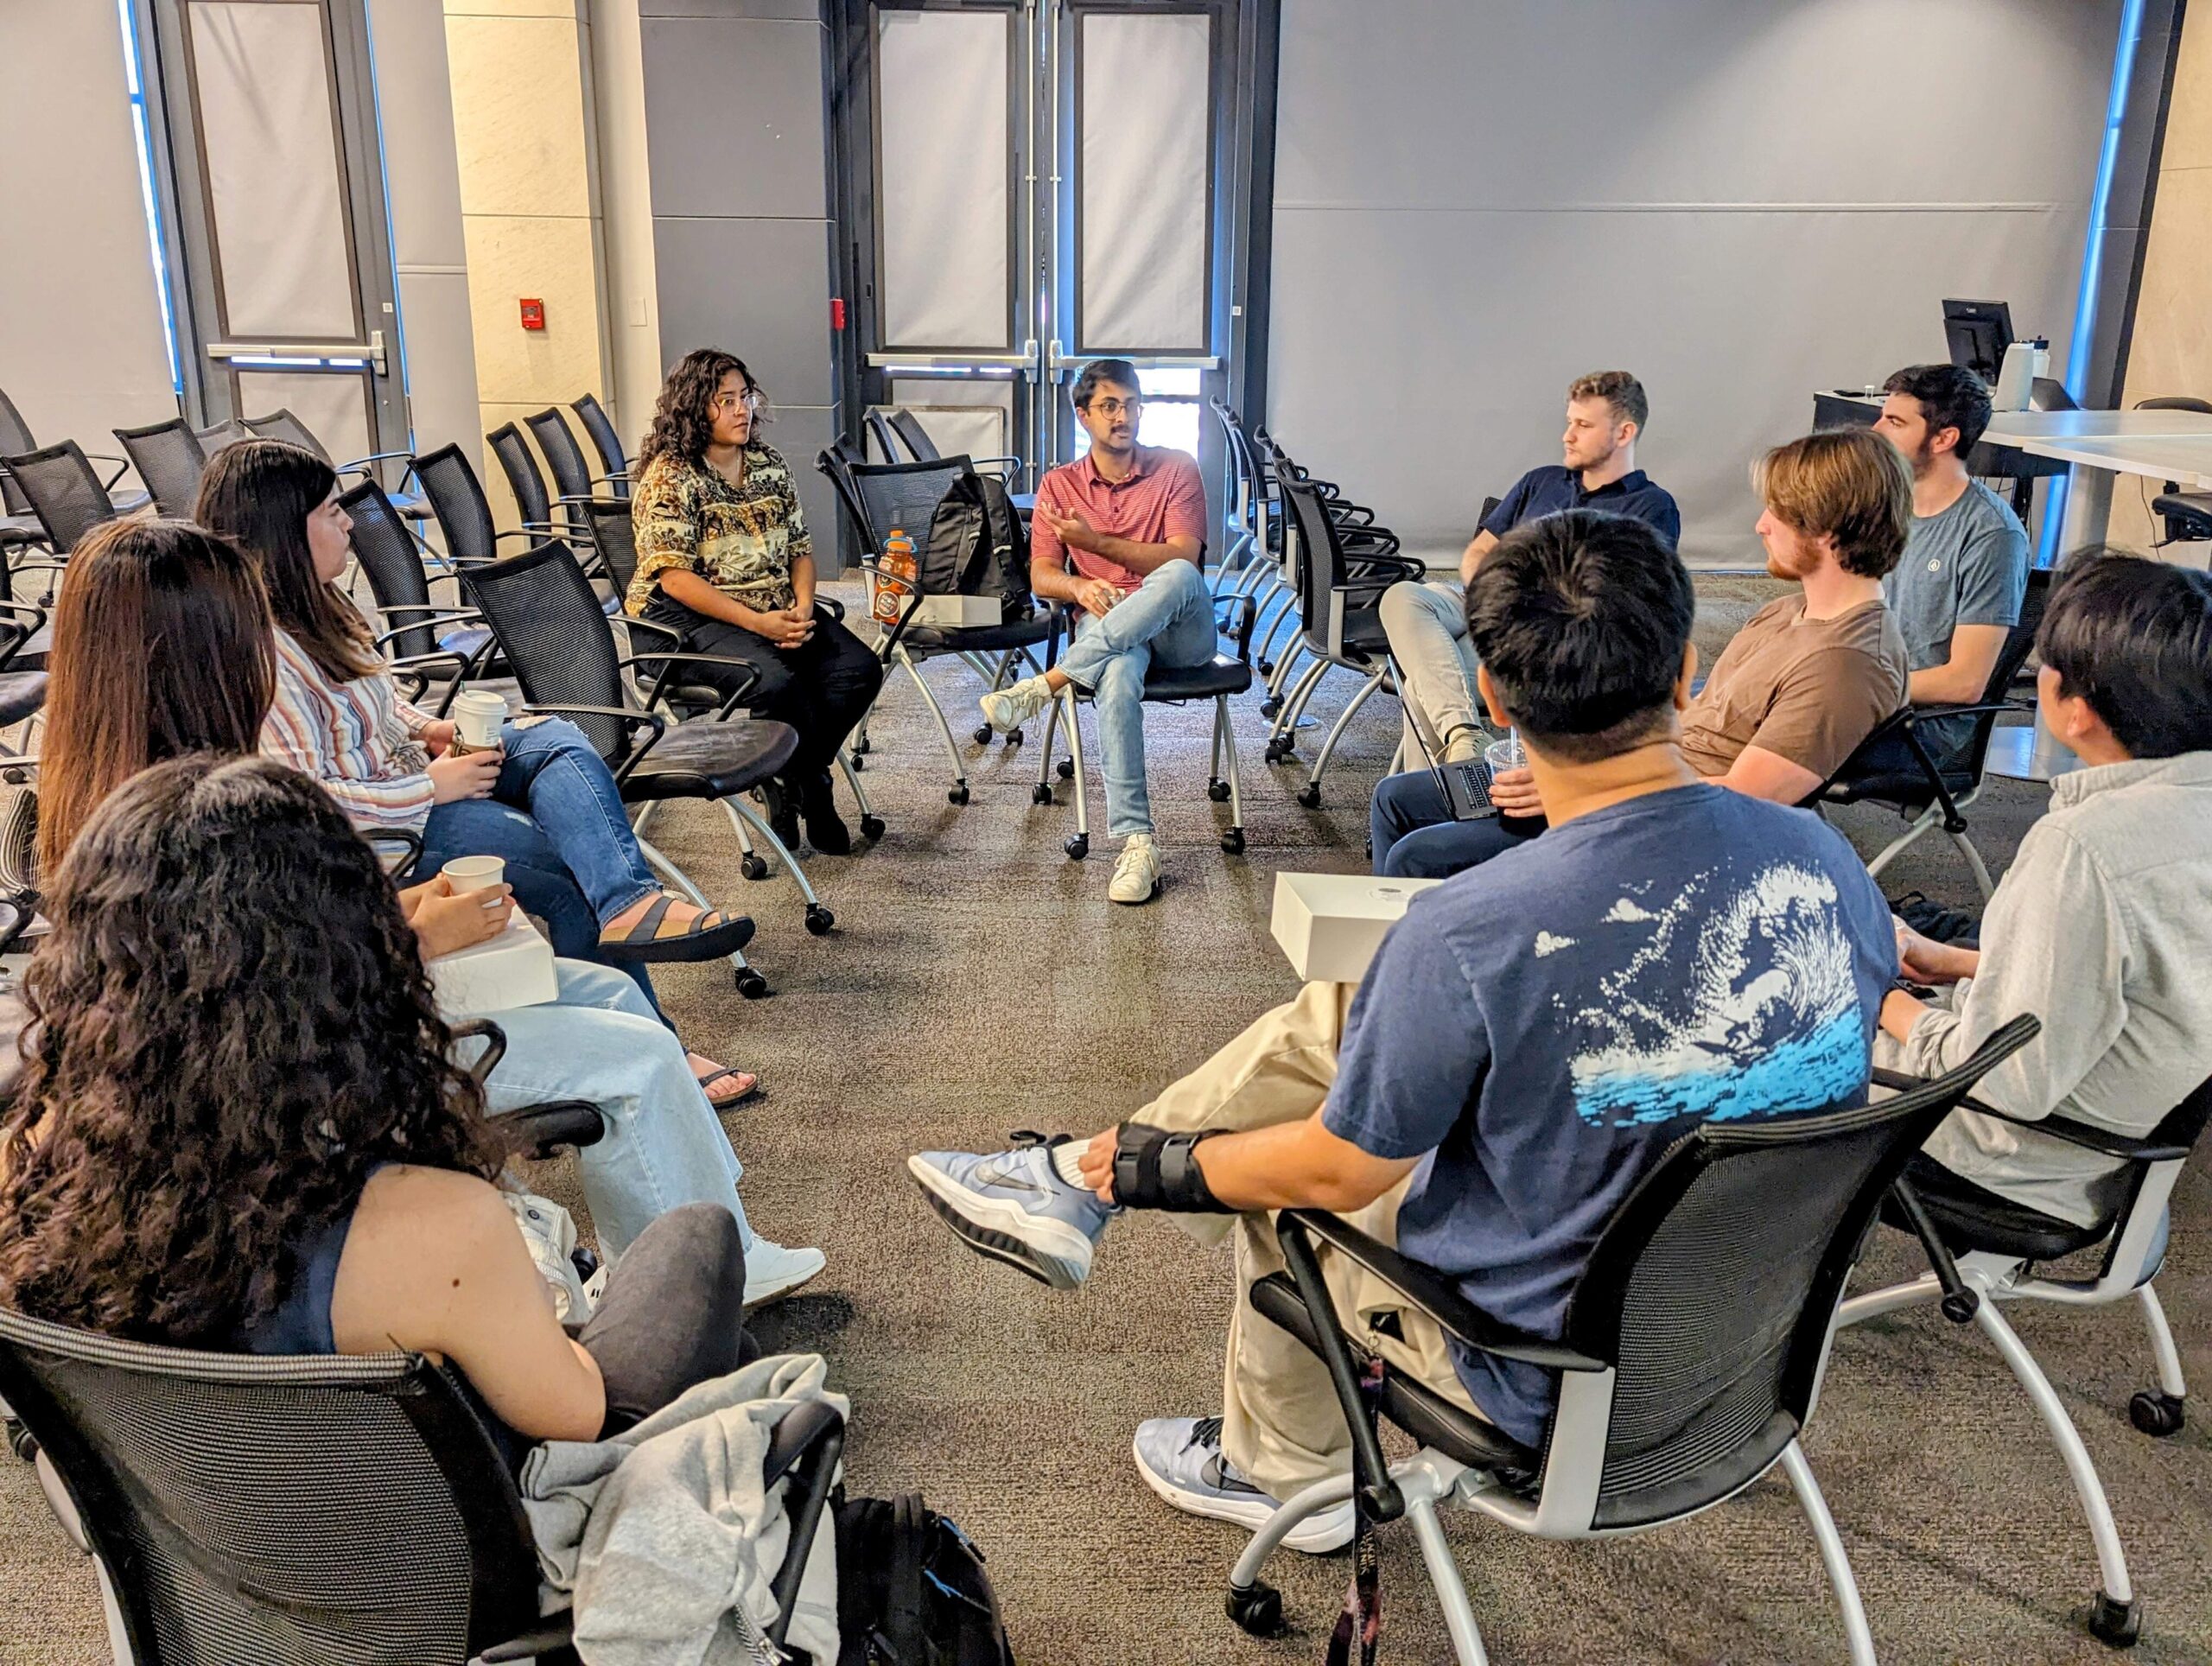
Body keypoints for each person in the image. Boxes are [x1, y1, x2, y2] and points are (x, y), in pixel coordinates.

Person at [906, 512, 1896, 1548]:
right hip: (1748, 1347)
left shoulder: (1474, 926)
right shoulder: (1827, 863)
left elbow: (1336, 1169)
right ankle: (1069, 1177)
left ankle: (1280, 1471)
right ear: (1686, 673)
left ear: (1492, 697)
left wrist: (1151, 1170)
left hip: (1545, 1380)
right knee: (1351, 1009)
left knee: (1278, 1183)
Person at [32, 518, 824, 1301]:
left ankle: (718, 1242)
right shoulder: (217, 809)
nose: (268, 653)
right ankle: (694, 1280)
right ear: (205, 656)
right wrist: (416, 935)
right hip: (320, 1068)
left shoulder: (108, 789)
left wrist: (404, 910)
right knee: (637, 1058)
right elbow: (273, 995)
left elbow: (266, 944)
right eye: (249, 630)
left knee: (612, 992)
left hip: (309, 1029)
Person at [0, 755, 753, 1448]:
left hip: (186, 1540)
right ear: (351, 961)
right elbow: (578, 1414)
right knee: (696, 1242)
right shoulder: (436, 1226)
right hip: (431, 1547)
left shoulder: (30, 1171)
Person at [194, 441, 759, 1110]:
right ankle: (652, 1048)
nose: (347, 521)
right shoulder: (263, 652)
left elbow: (375, 698)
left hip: (417, 779)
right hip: (383, 834)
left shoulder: (317, 605)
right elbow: (299, 799)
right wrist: (433, 787)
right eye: (328, 511)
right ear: (282, 533)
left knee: (553, 737)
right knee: (567, 874)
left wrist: (426, 729)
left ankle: (629, 904)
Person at [1372, 428, 1910, 877]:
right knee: (1396, 800)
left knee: (1417, 857)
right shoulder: (1787, 613)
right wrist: (1574, 758)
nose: (1760, 525)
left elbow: (1743, 801)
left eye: (1779, 513)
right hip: (1628, 783)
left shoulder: (1846, 663)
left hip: (1651, 827)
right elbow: (1688, 726)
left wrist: (1578, 784)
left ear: (1827, 529)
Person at [1884, 552, 2212, 1227]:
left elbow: (2005, 1083)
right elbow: (2138, 983)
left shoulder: (2086, 849)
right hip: (2120, 1145)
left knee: (1740, 1029)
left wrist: (1873, 995)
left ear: (2076, 709)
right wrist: (1967, 964)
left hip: (2006, 1159)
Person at [972, 359, 1215, 905]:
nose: (1123, 416)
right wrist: (1079, 588)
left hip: (1182, 633)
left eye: (1131, 405)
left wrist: (1097, 545)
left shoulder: (1177, 468)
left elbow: (1184, 559)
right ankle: (1138, 844)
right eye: (1109, 406)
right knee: (1118, 673)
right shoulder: (1059, 485)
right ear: (1083, 415)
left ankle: (1046, 685)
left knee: (1179, 573)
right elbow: (1042, 575)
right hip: (1108, 627)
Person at [627, 348, 882, 855]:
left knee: (858, 669)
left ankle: (795, 776)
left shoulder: (768, 464)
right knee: (776, 681)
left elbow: (800, 550)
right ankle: (809, 787)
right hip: (682, 618)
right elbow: (675, 579)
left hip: (770, 601)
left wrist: (803, 606)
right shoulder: (671, 475)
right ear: (694, 407)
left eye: (745, 397)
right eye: (726, 400)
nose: (742, 409)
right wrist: (761, 624)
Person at [1378, 371, 1680, 763]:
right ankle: (1463, 744)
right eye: (1569, 422)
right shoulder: (1541, 482)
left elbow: (1616, 603)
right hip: (1485, 607)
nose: (1567, 435)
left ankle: (1454, 753)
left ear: (1624, 433)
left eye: (1583, 425)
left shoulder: (1650, 508)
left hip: (1543, 643)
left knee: (1422, 684)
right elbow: (1478, 552)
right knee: (1403, 596)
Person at [1871, 363, 2031, 756]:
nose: (1876, 430)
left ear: (1944, 438)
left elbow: (1965, 683)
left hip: (1920, 725)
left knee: (1771, 739)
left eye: (1894, 422)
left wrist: (1859, 688)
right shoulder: (1886, 506)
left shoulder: (1992, 534)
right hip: (1868, 698)